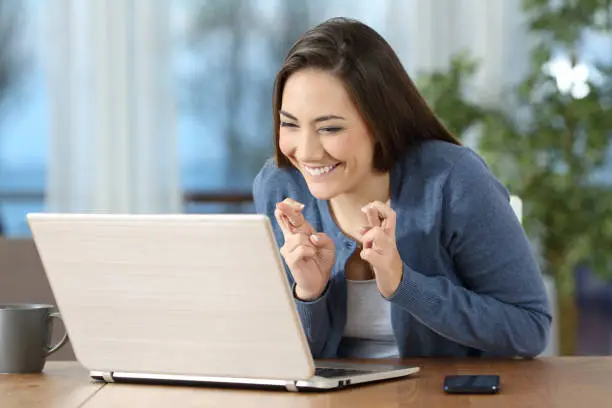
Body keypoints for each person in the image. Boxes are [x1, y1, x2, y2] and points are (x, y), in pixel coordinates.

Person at [252, 17, 552, 359]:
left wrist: (402, 282)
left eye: (330, 129)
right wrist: (308, 293)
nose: (305, 152)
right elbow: (294, 360)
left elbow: (529, 328)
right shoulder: (279, 186)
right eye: (289, 124)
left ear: (379, 123)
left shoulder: (453, 180)